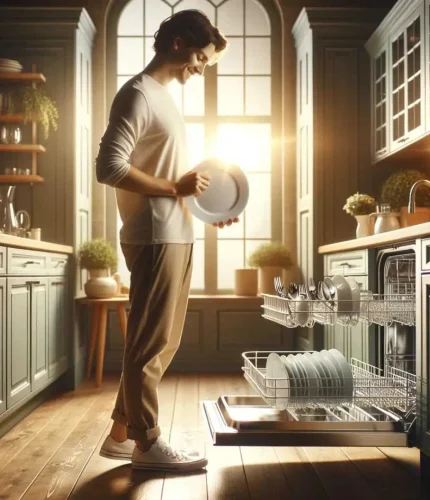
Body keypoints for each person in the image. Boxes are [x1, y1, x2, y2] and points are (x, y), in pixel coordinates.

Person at [95, 10, 234, 472]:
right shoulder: (138, 95)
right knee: (149, 345)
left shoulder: (163, 97)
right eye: (199, 57)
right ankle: (147, 442)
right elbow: (108, 167)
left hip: (176, 231)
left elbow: (174, 175)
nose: (200, 68)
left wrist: (210, 206)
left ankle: (121, 435)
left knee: (163, 343)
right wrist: (174, 190)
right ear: (177, 43)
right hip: (154, 238)